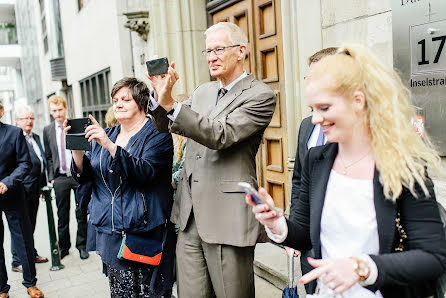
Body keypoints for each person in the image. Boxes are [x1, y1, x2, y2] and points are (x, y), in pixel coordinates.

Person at [247, 44, 446, 297]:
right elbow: (306, 236)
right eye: (313, 109)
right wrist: (277, 223)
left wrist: (361, 268)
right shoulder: (316, 160)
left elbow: (432, 257)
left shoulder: (403, 167)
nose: (316, 119)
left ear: (358, 101)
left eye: (325, 108)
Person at [147, 22, 276, 298]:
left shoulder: (260, 95)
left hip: (228, 216)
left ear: (241, 51)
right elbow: (168, 125)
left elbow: (222, 135)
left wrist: (174, 106)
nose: (211, 57)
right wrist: (162, 99)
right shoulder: (203, 91)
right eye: (208, 51)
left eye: (218, 49)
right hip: (190, 215)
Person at [69, 77, 175, 297]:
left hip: (144, 232)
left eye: (125, 99)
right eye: (115, 99)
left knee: (150, 292)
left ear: (141, 103)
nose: (117, 104)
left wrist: (110, 147)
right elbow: (87, 177)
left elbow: (146, 172)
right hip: (111, 232)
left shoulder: (157, 134)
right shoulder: (108, 133)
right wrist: (77, 152)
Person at [287, 47, 338, 293]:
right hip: (310, 246)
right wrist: (289, 230)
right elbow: (299, 182)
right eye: (310, 77)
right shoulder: (307, 126)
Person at [0, 101, 44, 298]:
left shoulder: (13, 133)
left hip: (13, 194)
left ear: (1, 111)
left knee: (23, 240)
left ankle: (30, 283)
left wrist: (7, 182)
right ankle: (2, 288)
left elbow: (24, 163)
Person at [43, 95, 89, 260]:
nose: (57, 113)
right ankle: (64, 247)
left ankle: (82, 246)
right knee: (62, 215)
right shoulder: (47, 130)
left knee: (81, 212)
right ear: (50, 112)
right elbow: (47, 156)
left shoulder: (75, 125)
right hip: (60, 177)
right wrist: (51, 178)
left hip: (77, 176)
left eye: (60, 109)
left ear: (66, 108)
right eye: (54, 111)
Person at [11, 105, 48, 273]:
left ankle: (31, 254)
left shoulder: (36, 137)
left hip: (35, 189)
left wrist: (42, 184)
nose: (29, 121)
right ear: (17, 121)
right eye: (25, 118)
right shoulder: (15, 138)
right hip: (21, 190)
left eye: (31, 118)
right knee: (19, 227)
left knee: (30, 224)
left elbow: (41, 161)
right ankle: (16, 260)